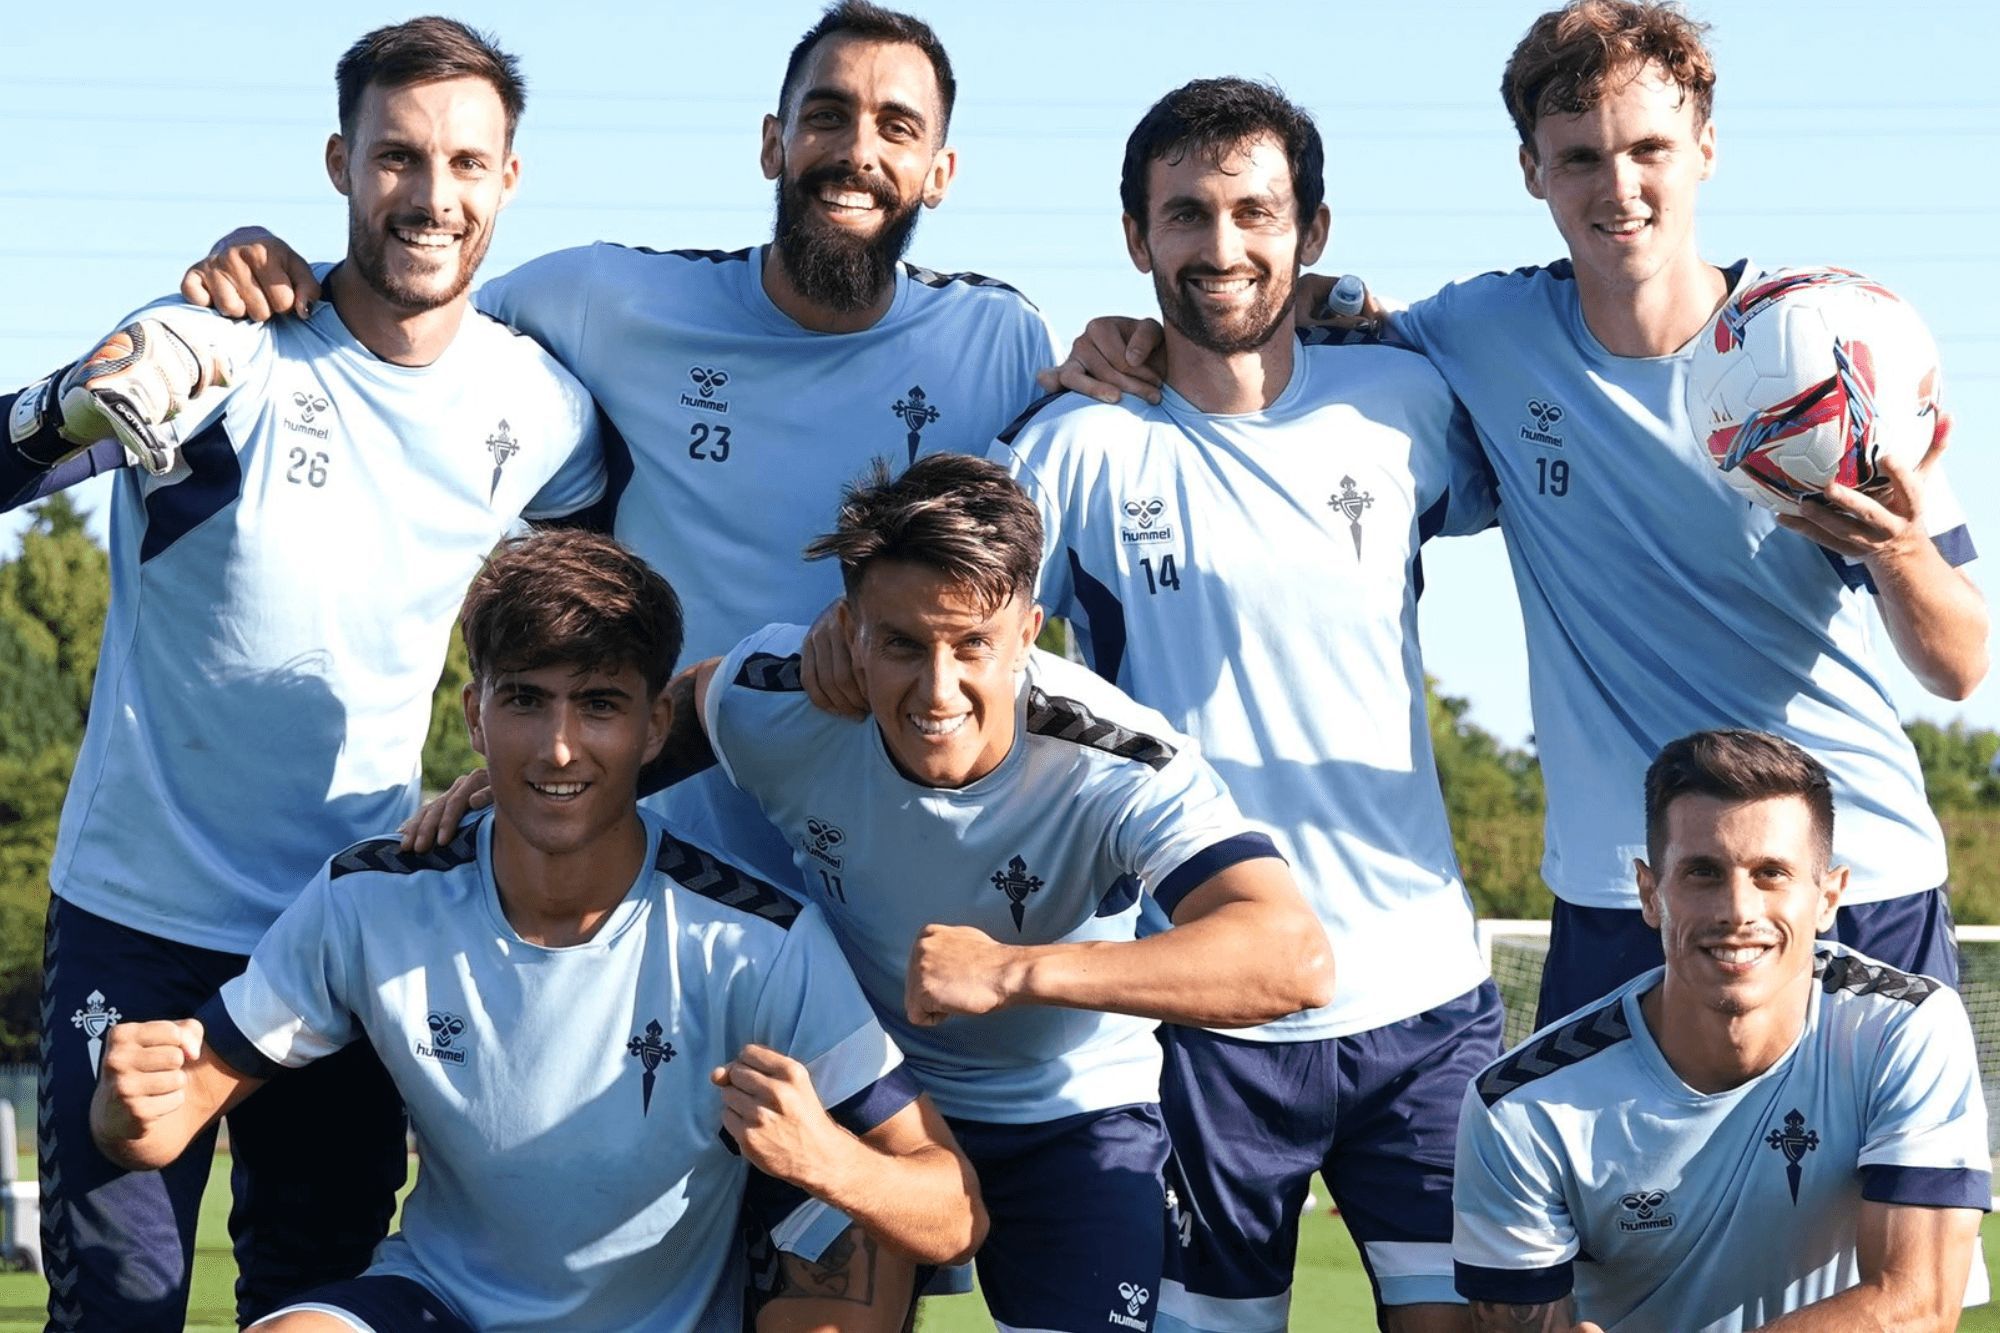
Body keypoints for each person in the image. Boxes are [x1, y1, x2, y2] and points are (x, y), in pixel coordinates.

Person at [1046, 0, 1984, 1028]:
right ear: (1531, 170)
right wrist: (1138, 330)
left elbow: (1958, 663)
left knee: (1881, 1145)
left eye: (1649, 149)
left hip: (1845, 874)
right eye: (1578, 157)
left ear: (1706, 149)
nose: (1617, 187)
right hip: (1617, 889)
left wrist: (1900, 549)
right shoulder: (1481, 334)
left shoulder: (1825, 357)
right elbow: (1272, 318)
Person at [407, 452, 1333, 1332]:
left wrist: (1015, 971)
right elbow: (671, 716)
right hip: (862, 1099)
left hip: (1067, 1114)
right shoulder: (779, 699)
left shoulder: (1117, 761)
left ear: (1029, 633)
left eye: (973, 645)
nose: (938, 689)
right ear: (849, 629)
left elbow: (1291, 956)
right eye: (901, 643)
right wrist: (518, 787)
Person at [2, 19, 610, 1330]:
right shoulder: (221, 341)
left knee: (314, 1303)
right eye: (398, 157)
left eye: (465, 162)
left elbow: (598, 609)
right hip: (140, 922)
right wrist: (75, 398)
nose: (432, 195)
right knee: (119, 1307)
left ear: (509, 180)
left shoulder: (541, 409)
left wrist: (503, 776)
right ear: (342, 163)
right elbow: (31, 446)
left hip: (346, 936)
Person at [178, 0, 1059, 890]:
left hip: (904, 884)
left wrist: (1124, 346)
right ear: (773, 143)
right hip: (668, 885)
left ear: (940, 172)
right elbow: (410, 299)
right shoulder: (606, 300)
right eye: (826, 115)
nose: (857, 151)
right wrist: (267, 267)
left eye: (896, 128)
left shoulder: (1000, 340)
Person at [89, 527, 982, 1333]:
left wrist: (830, 1159)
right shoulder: (372, 898)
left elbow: (954, 1209)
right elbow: (163, 1124)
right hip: (438, 1303)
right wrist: (127, 1104)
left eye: (599, 704)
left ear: (653, 725)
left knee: (860, 1258)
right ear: (474, 715)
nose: (559, 746)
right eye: (525, 699)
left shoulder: (756, 941)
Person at [954, 78, 1498, 1333]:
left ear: (1310, 230)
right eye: (1185, 214)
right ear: (1134, 236)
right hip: (1198, 1007)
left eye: (1255, 212)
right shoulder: (1075, 444)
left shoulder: (1402, 406)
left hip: (1420, 998)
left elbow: (1554, 483)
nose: (1220, 245)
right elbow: (947, 636)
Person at [1452, 729, 1989, 1332]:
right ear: (1650, 894)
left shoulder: (1904, 1028)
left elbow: (1917, 1304)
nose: (1737, 911)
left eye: (1771, 873)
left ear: (1828, 897)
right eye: (1703, 873)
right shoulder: (1522, 1105)